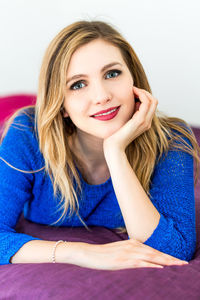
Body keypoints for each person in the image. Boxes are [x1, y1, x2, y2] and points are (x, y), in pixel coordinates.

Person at [0, 20, 199, 270]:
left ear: (134, 79)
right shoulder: (27, 133)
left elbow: (174, 250)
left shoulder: (171, 139)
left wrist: (115, 151)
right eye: (78, 84)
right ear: (60, 104)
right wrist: (81, 253)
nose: (102, 96)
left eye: (112, 73)